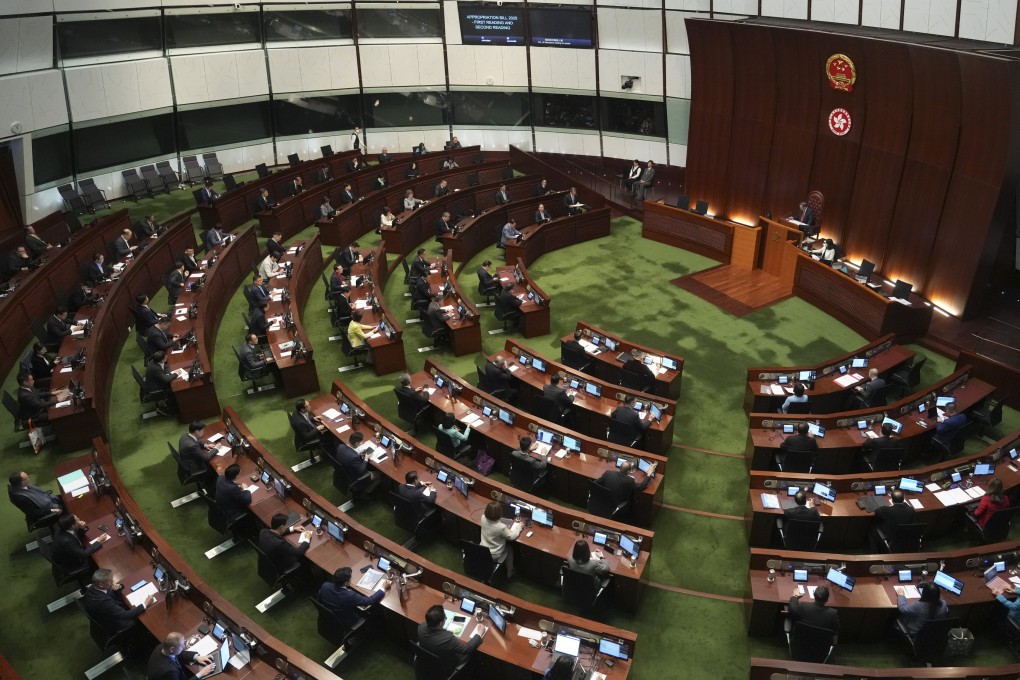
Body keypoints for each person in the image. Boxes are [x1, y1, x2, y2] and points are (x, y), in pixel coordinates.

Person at [82, 568, 156, 638]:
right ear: (101, 584)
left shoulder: (94, 587)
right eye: (110, 581)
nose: (113, 582)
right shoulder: (103, 602)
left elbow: (109, 594)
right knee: (144, 618)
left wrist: (118, 588)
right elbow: (126, 615)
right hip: (114, 623)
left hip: (105, 615)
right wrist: (145, 604)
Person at [318, 566, 390, 630]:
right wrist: (383, 589)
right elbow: (369, 601)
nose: (351, 579)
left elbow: (320, 600)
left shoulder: (325, 585)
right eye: (350, 578)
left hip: (332, 617)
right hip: (348, 621)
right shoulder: (349, 595)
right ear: (346, 582)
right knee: (375, 608)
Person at [418, 604, 484, 673]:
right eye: (445, 618)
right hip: (446, 664)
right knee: (473, 652)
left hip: (429, 660)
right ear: (440, 623)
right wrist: (479, 634)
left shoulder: (421, 627)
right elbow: (466, 649)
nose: (445, 619)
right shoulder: (448, 639)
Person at [147, 631, 216, 679]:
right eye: (181, 646)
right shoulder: (169, 671)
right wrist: (201, 674)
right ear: (172, 649)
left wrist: (197, 657)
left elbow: (179, 653)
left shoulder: (162, 647)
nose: (184, 647)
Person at [481, 500, 523, 577]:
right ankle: (510, 572)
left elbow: (492, 525)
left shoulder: (483, 518)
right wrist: (519, 527)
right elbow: (512, 537)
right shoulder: (501, 527)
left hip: (483, 550)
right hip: (494, 554)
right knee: (509, 548)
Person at [179, 422, 218, 491]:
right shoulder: (192, 445)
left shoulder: (185, 436)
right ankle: (212, 489)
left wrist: (205, 445)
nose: (203, 432)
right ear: (197, 431)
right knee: (214, 470)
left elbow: (195, 442)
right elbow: (206, 458)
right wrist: (216, 449)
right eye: (202, 431)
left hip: (186, 462)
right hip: (192, 468)